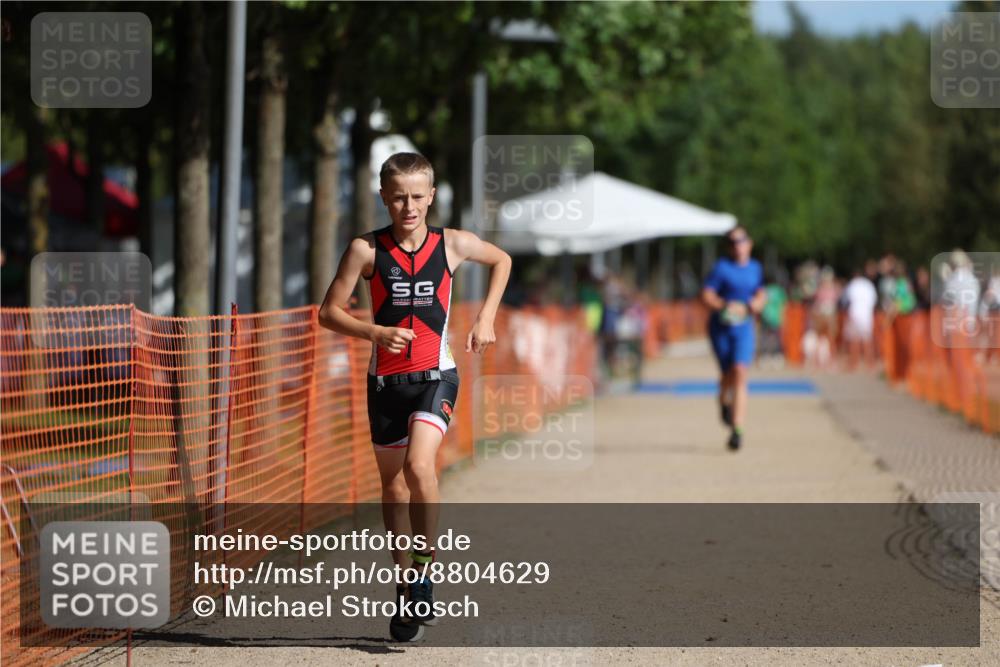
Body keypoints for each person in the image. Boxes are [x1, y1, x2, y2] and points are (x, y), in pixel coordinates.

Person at [318, 152, 511, 634]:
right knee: (393, 487)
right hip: (385, 383)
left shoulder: (454, 244)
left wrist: (486, 317)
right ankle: (405, 586)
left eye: (418, 197)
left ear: (432, 196)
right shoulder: (366, 250)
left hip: (434, 376)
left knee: (419, 467)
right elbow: (328, 312)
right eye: (399, 196)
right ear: (383, 196)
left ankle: (424, 570)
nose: (409, 206)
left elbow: (502, 260)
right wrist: (375, 334)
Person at [701, 226, 766, 451]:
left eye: (741, 240)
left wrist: (756, 304)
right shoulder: (722, 268)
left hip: (744, 328)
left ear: (750, 243)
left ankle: (737, 430)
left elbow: (760, 293)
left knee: (740, 371)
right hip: (721, 328)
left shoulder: (755, 268)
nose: (737, 245)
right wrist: (723, 305)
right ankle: (723, 403)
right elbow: (707, 294)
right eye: (733, 242)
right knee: (727, 374)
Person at [842, 266, 878, 370]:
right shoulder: (869, 285)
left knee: (854, 340)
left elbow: (846, 300)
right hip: (867, 316)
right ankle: (870, 364)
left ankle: (853, 364)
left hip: (855, 314)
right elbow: (874, 301)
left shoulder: (852, 284)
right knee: (867, 340)